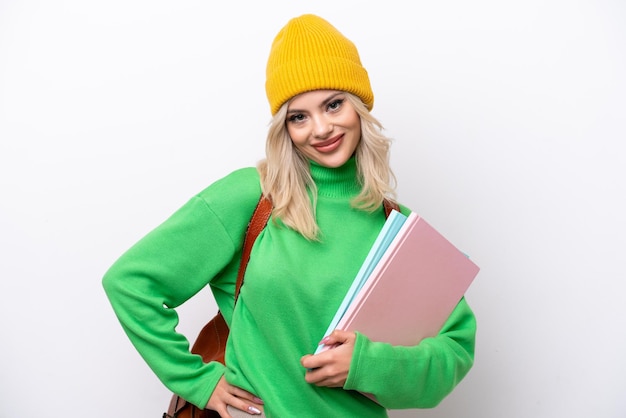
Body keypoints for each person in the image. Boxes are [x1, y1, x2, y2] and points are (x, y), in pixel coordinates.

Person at [102, 14, 476, 418]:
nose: (320, 129)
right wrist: (199, 382)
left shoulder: (395, 227)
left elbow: (453, 351)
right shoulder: (253, 197)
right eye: (299, 116)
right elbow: (130, 283)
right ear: (284, 127)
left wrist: (367, 364)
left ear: (359, 107)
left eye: (334, 104)